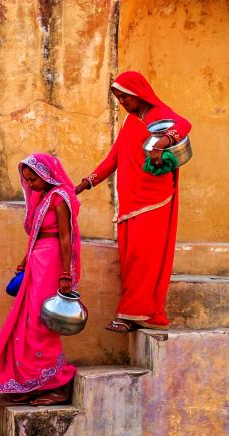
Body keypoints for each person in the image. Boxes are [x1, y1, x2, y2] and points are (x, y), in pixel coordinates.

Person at [78, 71, 192, 332]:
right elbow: (113, 158)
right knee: (130, 260)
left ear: (138, 94)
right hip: (130, 201)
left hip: (154, 199)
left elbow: (183, 124)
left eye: (125, 97)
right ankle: (142, 314)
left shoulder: (159, 114)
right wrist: (86, 183)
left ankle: (129, 314)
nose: (123, 103)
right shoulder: (131, 122)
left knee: (145, 258)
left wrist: (161, 143)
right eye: (119, 99)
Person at [0, 154, 79, 405]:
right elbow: (36, 235)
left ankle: (56, 385)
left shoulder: (59, 198)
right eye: (27, 180)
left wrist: (66, 274)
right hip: (37, 261)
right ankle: (34, 383)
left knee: (42, 324)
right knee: (29, 323)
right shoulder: (42, 198)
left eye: (34, 180)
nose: (30, 185)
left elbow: (66, 237)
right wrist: (25, 259)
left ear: (46, 176)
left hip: (52, 262)